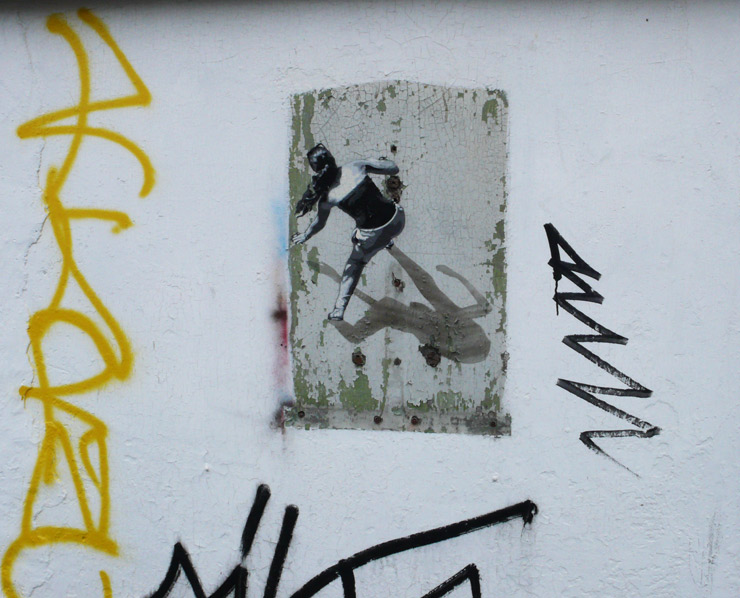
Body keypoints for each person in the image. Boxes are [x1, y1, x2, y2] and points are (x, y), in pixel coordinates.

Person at [291, 144, 405, 321]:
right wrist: (376, 161)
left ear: (316, 170)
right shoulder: (355, 166)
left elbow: (319, 223)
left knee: (354, 265)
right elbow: (393, 168)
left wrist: (305, 236)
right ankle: (386, 241)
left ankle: (339, 309)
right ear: (331, 158)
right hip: (397, 220)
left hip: (372, 237)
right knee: (368, 231)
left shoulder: (328, 197)